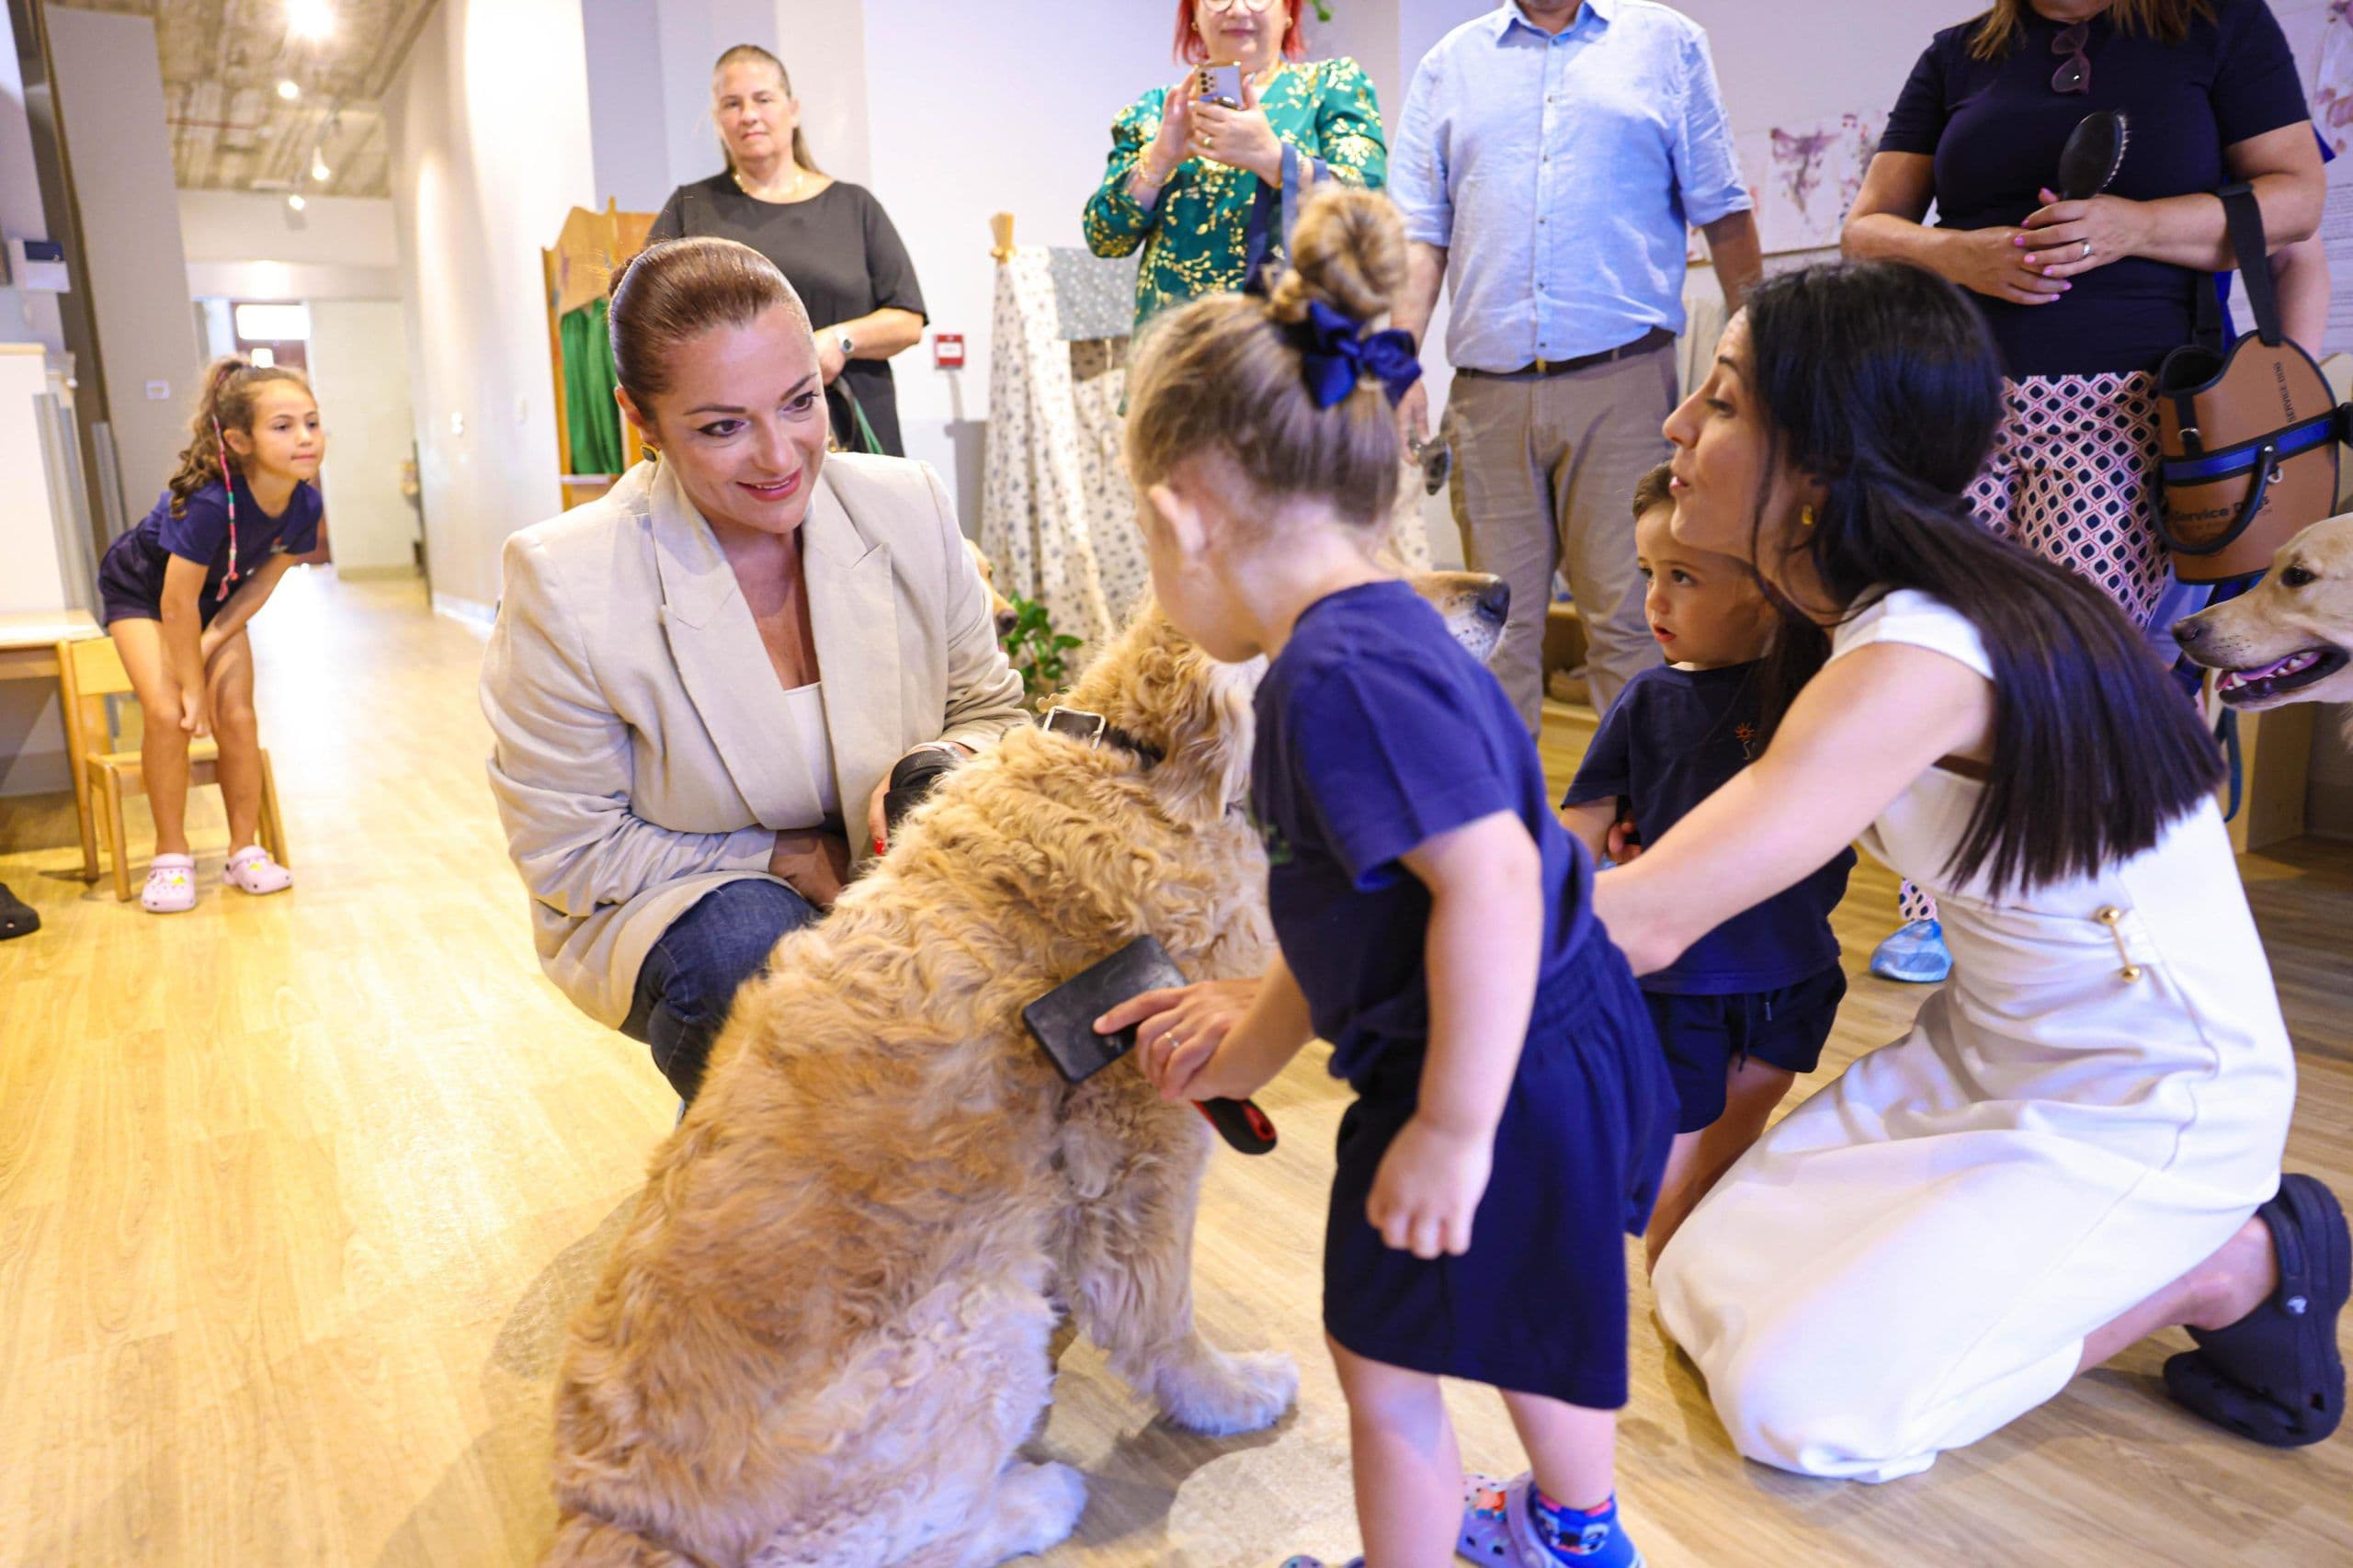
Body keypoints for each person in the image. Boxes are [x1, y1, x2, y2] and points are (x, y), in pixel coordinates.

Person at [1596, 260, 2345, 1481]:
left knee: (1803, 1411)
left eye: (1722, 402)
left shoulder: (1920, 652)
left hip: (2148, 1096)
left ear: (1826, 458)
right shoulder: (1848, 622)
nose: (1679, 426)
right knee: (1691, 1276)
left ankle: (2231, 1265)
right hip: (1983, 1056)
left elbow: (1646, 918)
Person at [1099, 187, 1673, 1568]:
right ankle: (1575, 1530)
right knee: (1545, 1306)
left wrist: (1454, 1129)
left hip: (1491, 1071)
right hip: (1558, 1042)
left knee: (1382, 1361)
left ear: (1187, 515)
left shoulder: (1331, 674)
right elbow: (1365, 910)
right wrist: (1248, 1045)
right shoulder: (1389, 636)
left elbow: (1485, 886)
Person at [1843, 0, 2325, 983]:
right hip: (1954, 401)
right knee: (1942, 652)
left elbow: (2295, 202)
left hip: (2133, 406)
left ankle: (2061, 913)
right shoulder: (1957, 53)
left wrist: (2135, 225)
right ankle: (1940, 909)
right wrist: (1953, 251)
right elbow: (1866, 231)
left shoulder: (2217, 27)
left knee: (2073, 673)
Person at [480, 238, 1028, 1103]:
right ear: (642, 419)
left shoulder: (907, 505)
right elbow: (572, 852)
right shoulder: (568, 581)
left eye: (800, 402)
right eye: (723, 427)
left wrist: (940, 770)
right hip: (690, 899)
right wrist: (781, 856)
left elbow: (992, 712)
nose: (780, 458)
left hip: (905, 883)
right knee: (757, 959)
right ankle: (788, 1205)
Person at [1389, 0, 1763, 731]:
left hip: (1625, 386)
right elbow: (1419, 235)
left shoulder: (1667, 43)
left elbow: (1723, 210)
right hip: (1488, 396)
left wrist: (1762, 361)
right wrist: (1400, 361)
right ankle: (1505, 836)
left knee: (1635, 621)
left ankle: (1640, 831)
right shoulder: (1449, 65)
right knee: (1491, 635)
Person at [1560, 462, 1851, 1267]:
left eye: (1681, 577)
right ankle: (1661, 1280)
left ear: (1769, 590)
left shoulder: (1824, 692)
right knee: (1668, 1167)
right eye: (1649, 573)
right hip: (1680, 988)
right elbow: (1580, 826)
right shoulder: (1648, 700)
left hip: (1792, 977)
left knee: (1731, 1150)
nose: (1653, 600)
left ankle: (1687, 1276)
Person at [94, 358, 318, 913]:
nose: (306, 438)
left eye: (312, 422)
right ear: (239, 440)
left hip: (214, 599)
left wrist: (209, 644)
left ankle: (244, 850)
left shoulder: (305, 502)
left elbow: (260, 585)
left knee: (237, 715)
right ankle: (171, 856)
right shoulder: (212, 502)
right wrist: (191, 685)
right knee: (170, 713)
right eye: (283, 426)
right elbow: (173, 602)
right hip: (146, 595)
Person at [649, 45, 928, 459]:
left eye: (763, 99)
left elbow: (907, 319)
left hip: (851, 432)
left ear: (792, 110)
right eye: (732, 103)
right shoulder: (690, 208)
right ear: (718, 121)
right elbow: (646, 315)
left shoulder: (853, 206)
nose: (748, 115)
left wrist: (839, 340)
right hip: (734, 441)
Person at [1083, 0, 1387, 335]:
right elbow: (1105, 238)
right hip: (1174, 354)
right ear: (1194, 16)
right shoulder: (1156, 110)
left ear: (1289, 12)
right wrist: (1158, 161)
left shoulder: (1330, 86)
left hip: (1291, 351)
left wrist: (1274, 160)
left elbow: (1368, 211)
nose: (1238, 10)